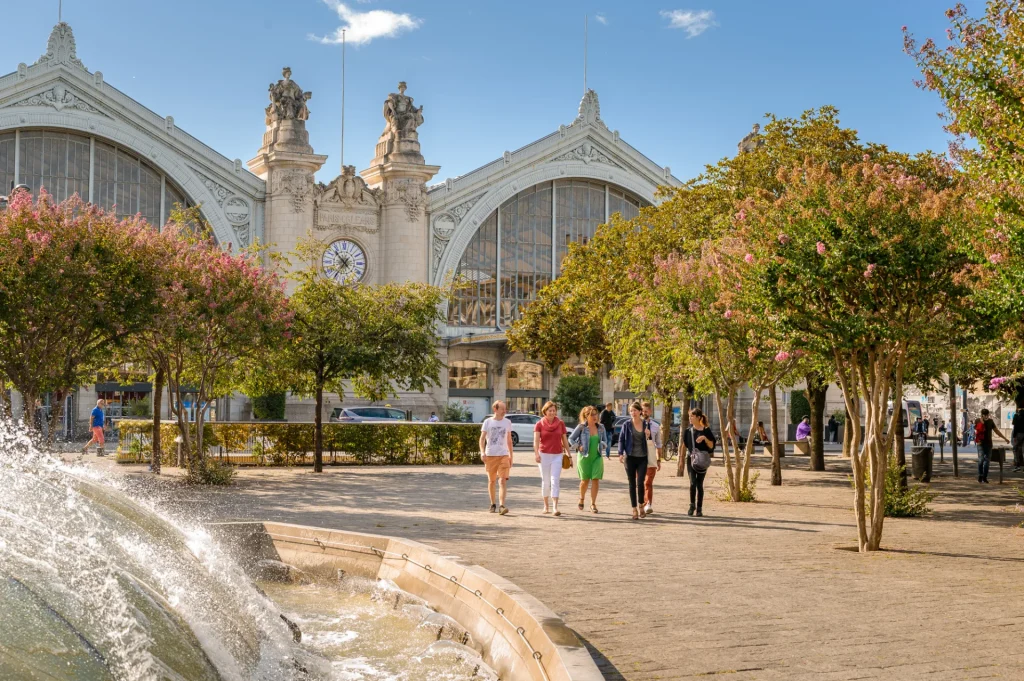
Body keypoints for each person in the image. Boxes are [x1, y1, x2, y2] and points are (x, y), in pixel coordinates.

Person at [533, 401, 570, 516]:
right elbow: (535, 441)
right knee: (546, 481)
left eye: (554, 410)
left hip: (557, 455)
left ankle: (555, 507)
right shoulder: (539, 424)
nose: (552, 412)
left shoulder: (560, 423)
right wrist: (536, 454)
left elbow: (564, 440)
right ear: (545, 411)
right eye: (550, 410)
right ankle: (546, 506)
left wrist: (569, 454)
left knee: (555, 480)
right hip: (543, 455)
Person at [618, 401, 652, 520]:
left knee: (640, 482)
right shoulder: (626, 424)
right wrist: (620, 453)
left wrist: (649, 434)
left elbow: (650, 439)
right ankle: (634, 509)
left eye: (635, 410)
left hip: (642, 457)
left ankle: (641, 505)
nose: (633, 413)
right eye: (631, 411)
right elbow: (621, 439)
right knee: (632, 483)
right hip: (630, 457)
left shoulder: (645, 424)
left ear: (640, 412)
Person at [569, 405, 606, 513]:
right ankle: (581, 498)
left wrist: (603, 445)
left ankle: (593, 504)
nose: (595, 417)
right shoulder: (581, 427)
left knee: (595, 480)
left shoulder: (601, 427)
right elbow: (571, 438)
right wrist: (578, 446)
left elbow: (605, 441)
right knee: (584, 481)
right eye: (592, 415)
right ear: (586, 416)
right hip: (584, 457)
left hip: (597, 457)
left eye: (596, 414)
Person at [480, 401, 513, 514]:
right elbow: (482, 439)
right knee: (491, 481)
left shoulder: (507, 422)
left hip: (503, 455)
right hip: (490, 455)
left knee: (502, 481)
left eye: (505, 409)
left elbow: (509, 440)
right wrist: (482, 452)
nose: (504, 411)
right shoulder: (487, 422)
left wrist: (511, 455)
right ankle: (492, 504)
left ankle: (502, 506)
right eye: (502, 409)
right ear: (495, 409)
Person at [683, 408, 716, 517]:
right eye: (689, 416)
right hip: (691, 459)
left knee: (699, 484)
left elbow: (711, 446)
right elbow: (685, 446)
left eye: (692, 416)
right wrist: (680, 461)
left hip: (703, 460)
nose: (690, 418)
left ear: (699, 417)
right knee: (692, 482)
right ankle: (692, 505)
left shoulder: (706, 430)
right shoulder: (688, 431)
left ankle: (699, 508)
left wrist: (704, 438)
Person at [641, 401, 663, 516]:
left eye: (646, 411)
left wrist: (659, 459)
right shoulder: (637, 425)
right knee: (640, 482)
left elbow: (658, 444)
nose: (644, 413)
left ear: (650, 411)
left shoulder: (655, 426)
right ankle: (641, 504)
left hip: (651, 456)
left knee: (648, 482)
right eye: (643, 411)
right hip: (639, 456)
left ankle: (648, 504)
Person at [977, 408, 1009, 484]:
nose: (986, 416)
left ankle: (985, 477)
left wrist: (1004, 438)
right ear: (982, 415)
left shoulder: (991, 421)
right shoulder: (978, 421)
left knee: (987, 461)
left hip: (989, 444)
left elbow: (996, 431)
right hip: (980, 443)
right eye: (984, 415)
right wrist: (981, 423)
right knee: (981, 460)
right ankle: (980, 475)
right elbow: (977, 430)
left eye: (987, 414)